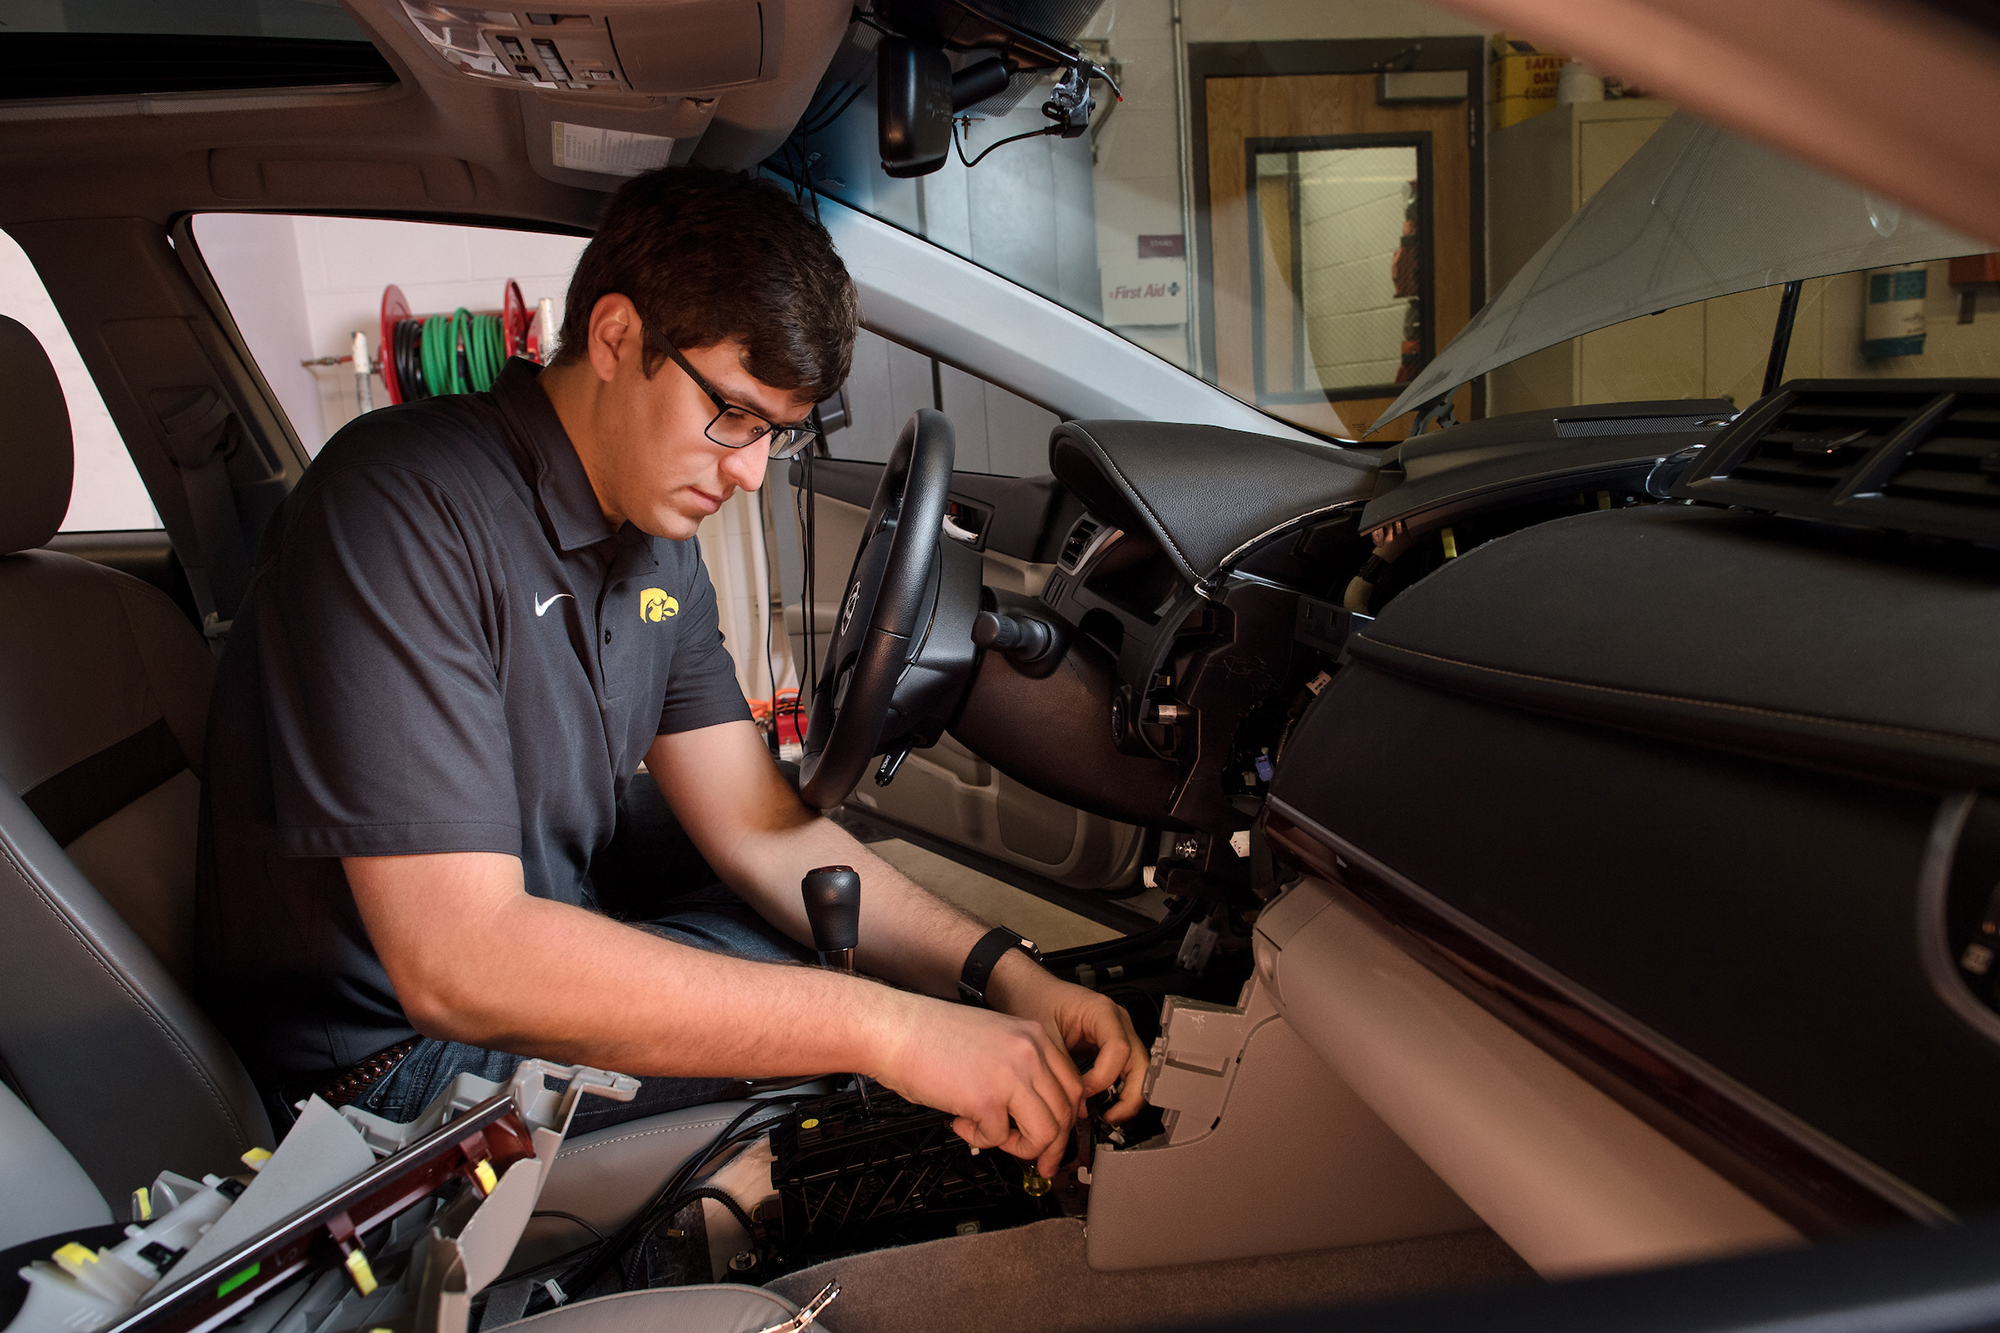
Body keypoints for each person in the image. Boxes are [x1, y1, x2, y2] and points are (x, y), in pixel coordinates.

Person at [197, 165, 1146, 1178]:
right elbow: (461, 966)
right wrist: (891, 1032)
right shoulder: (400, 509)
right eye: (732, 415)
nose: (748, 473)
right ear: (614, 338)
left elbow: (757, 827)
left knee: (860, 969)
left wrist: (1003, 973)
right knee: (871, 1063)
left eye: (775, 434)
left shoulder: (656, 550)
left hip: (527, 965)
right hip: (387, 1078)